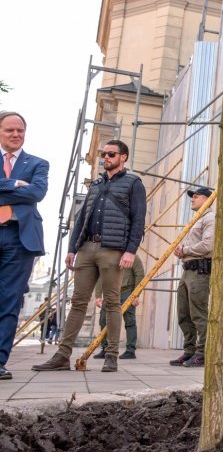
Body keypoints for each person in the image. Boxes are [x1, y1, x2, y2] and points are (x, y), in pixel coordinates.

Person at [33, 139, 145, 373]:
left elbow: (138, 220)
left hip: (112, 250)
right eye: (104, 154)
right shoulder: (95, 185)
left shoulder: (134, 183)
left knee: (112, 303)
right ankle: (63, 355)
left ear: (123, 157)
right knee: (78, 302)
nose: (106, 157)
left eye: (111, 154)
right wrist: (72, 248)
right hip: (86, 248)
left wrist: (130, 251)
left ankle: (111, 356)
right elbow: (82, 218)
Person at [0, 111, 49, 380]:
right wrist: (13, 184)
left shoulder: (38, 163)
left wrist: (8, 189)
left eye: (20, 130)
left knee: (9, 302)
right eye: (9, 130)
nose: (16, 134)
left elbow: (37, 193)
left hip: (20, 239)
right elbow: (24, 192)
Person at [169, 186, 215, 368]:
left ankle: (202, 352)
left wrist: (185, 250)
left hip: (199, 271)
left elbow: (207, 245)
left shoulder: (210, 218)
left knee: (198, 313)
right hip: (187, 270)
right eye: (192, 196)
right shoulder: (196, 219)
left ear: (207, 199)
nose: (192, 199)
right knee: (183, 313)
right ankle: (189, 350)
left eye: (197, 196)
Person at [92, 253, 144, 359]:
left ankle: (130, 350)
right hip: (110, 293)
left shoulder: (133, 257)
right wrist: (98, 296)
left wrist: (136, 295)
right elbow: (101, 276)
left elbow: (140, 275)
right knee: (103, 320)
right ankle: (105, 349)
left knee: (130, 322)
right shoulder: (108, 256)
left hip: (127, 292)